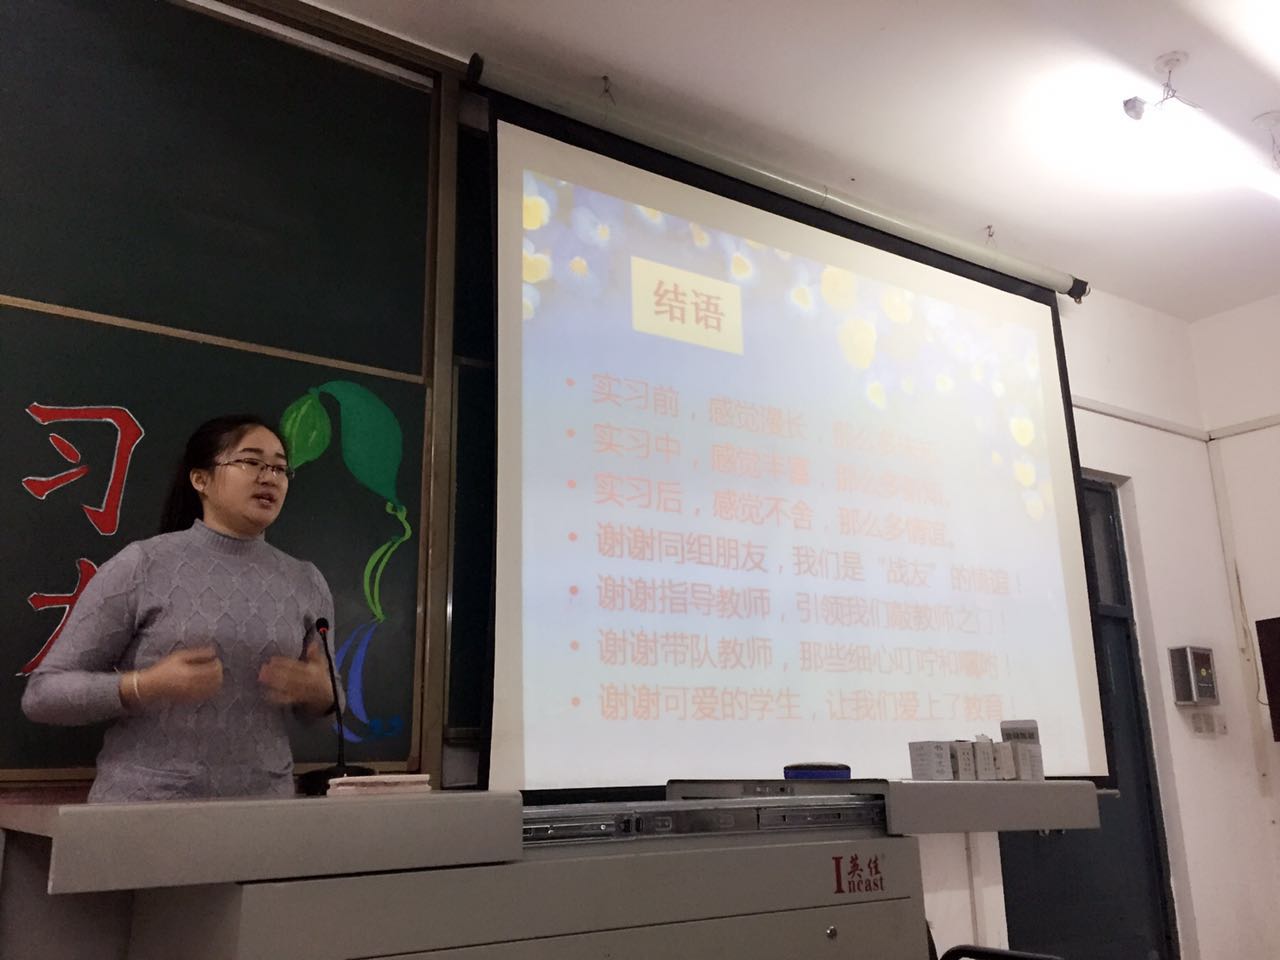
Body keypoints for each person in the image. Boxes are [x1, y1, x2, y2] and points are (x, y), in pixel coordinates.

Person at [22, 414, 339, 802]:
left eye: (279, 468)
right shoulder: (143, 564)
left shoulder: (305, 580)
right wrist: (143, 686)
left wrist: (321, 694)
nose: (269, 477)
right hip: (146, 808)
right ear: (200, 480)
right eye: (251, 461)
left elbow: (329, 701)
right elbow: (43, 695)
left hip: (263, 810)